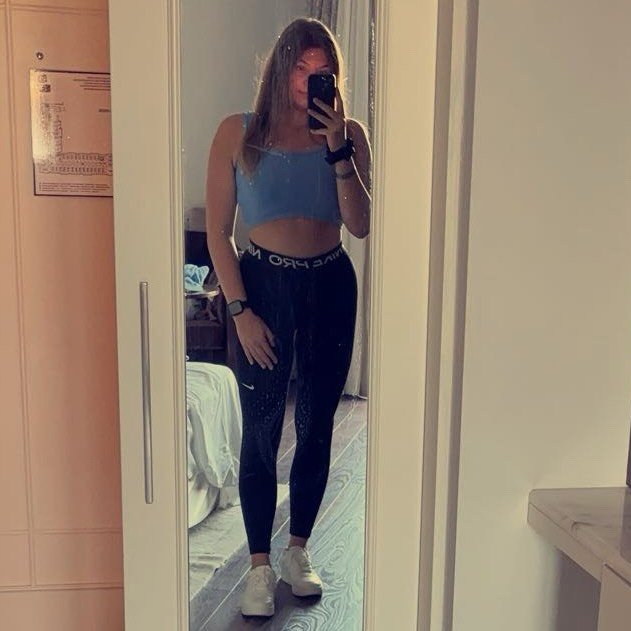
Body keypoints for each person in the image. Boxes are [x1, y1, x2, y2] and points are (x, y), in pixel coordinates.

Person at [205, 17, 371, 618]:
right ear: (281, 68)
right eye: (301, 68)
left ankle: (298, 549)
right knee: (261, 426)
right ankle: (258, 565)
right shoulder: (238, 133)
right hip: (263, 285)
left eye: (321, 71)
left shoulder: (348, 134)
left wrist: (339, 152)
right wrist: (240, 311)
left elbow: (360, 224)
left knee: (319, 422)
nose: (309, 81)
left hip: (330, 283)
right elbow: (219, 235)